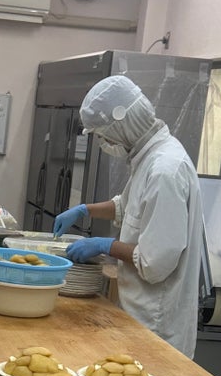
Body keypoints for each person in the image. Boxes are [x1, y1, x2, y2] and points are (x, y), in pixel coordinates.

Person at [53, 74, 203, 358]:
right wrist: (85, 210)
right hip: (137, 315)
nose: (104, 142)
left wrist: (105, 245)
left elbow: (154, 263)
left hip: (156, 326)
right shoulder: (149, 156)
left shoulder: (165, 171)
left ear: (122, 124)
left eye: (103, 135)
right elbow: (129, 206)